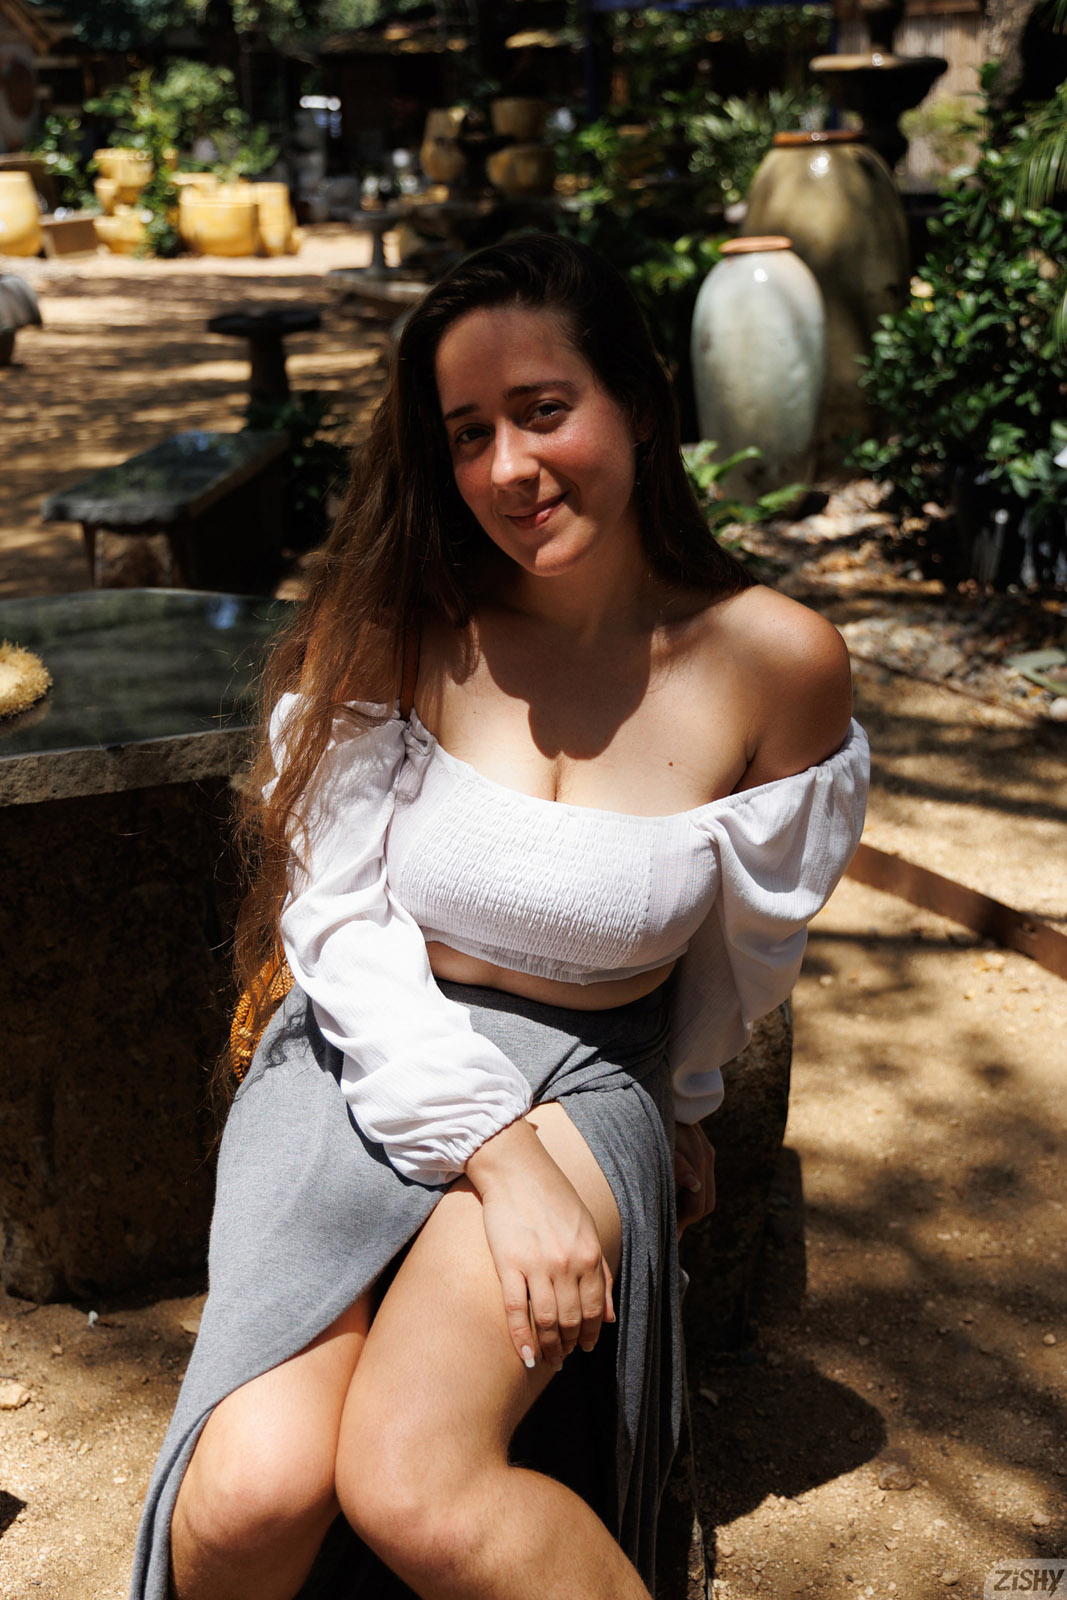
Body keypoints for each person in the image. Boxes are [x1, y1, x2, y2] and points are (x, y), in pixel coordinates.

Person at [130, 233, 868, 1600]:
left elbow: (745, 950)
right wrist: (496, 1154)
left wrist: (682, 1107)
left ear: (638, 402)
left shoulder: (776, 663)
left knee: (416, 1483)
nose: (509, 468)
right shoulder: (400, 623)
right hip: (356, 1045)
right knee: (247, 1503)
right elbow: (336, 923)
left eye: (543, 410)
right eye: (469, 433)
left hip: (584, 1074)